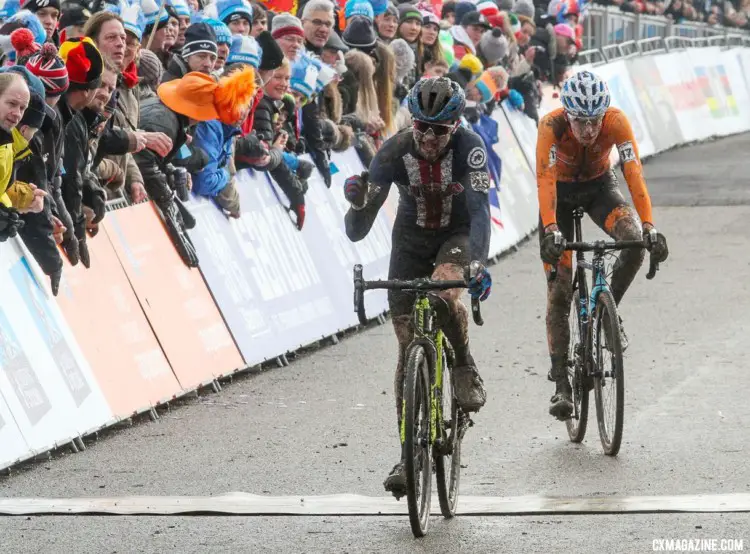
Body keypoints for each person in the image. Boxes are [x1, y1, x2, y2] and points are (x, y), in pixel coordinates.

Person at [343, 77, 492, 497]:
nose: (428, 138)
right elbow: (356, 231)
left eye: (439, 130)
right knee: (408, 349)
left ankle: (462, 361)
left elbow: (481, 213)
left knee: (445, 294)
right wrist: (356, 202)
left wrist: (477, 263)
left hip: (456, 235)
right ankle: (409, 456)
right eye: (421, 127)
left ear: (456, 127)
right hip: (409, 239)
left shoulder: (470, 148)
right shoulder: (392, 151)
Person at [536, 71, 669, 421]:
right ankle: (561, 381)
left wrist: (650, 226)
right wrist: (550, 228)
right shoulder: (551, 126)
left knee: (633, 240)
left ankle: (606, 315)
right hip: (559, 199)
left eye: (595, 121)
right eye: (581, 122)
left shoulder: (617, 121)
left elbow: (633, 171)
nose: (590, 130)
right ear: (568, 115)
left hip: (599, 187)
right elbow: (545, 178)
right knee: (560, 287)